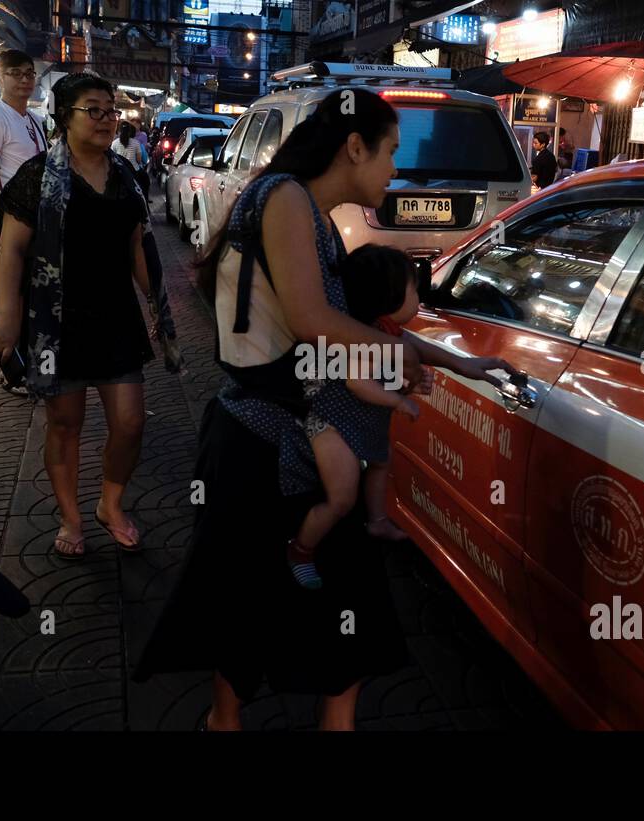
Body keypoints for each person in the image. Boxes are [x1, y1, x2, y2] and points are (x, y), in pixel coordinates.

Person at [133, 89, 510, 730]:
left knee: (339, 614)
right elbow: (314, 322)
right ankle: (224, 722)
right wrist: (400, 363)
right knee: (249, 607)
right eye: (390, 152)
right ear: (353, 146)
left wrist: (454, 362)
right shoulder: (283, 198)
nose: (395, 170)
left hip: (303, 438)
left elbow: (362, 323)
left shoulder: (313, 216)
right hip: (262, 440)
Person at [0, 73, 156, 559]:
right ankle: (70, 516)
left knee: (130, 422)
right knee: (65, 423)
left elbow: (136, 250)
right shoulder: (37, 177)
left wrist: (158, 305)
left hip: (116, 317)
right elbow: (12, 251)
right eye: (94, 110)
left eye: (111, 110)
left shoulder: (126, 178)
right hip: (55, 323)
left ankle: (110, 503)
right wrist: (6, 312)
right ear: (64, 116)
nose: (106, 119)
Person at [286, 243, 423, 590]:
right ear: (388, 295)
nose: (419, 296)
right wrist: (398, 401)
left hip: (359, 416)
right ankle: (301, 549)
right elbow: (358, 382)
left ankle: (376, 520)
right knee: (343, 496)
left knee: (380, 461)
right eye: (414, 289)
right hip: (329, 418)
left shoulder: (387, 330)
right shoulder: (364, 335)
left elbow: (402, 362)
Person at [0, 49, 46, 291]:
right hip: (7, 217)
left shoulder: (35, 119)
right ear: (0, 77)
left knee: (32, 294)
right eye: (16, 74)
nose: (25, 80)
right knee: (9, 295)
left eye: (29, 74)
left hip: (36, 217)